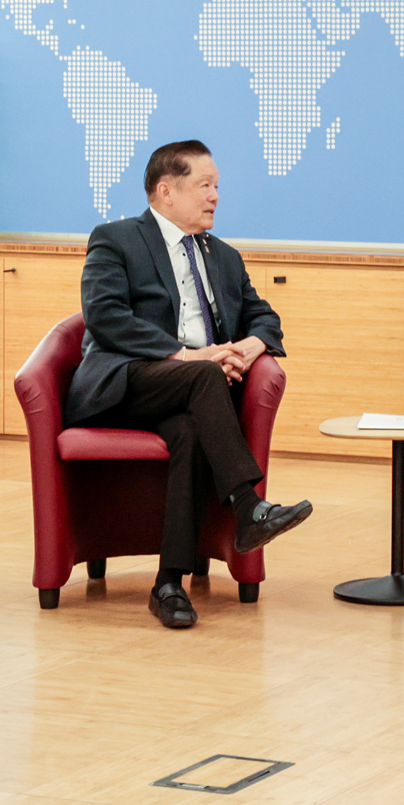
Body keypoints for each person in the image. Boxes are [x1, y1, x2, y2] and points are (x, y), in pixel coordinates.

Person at [70, 139, 312, 629]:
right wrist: (191, 356)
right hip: (127, 383)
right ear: (166, 191)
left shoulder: (222, 256)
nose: (215, 197)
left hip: (192, 391)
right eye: (205, 186)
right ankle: (248, 507)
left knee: (188, 433)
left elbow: (265, 317)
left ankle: (168, 584)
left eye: (217, 186)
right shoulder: (115, 239)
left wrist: (248, 348)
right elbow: (106, 318)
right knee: (204, 375)